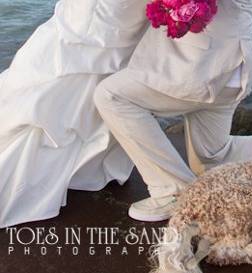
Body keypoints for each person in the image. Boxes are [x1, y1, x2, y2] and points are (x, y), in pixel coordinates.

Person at [94, 0, 252, 222]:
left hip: (199, 69)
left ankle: (173, 192)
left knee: (112, 96)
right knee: (212, 157)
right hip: (228, 70)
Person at [0, 0, 150, 228]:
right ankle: (78, 167)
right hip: (103, 17)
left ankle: (79, 166)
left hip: (116, 16)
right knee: (54, 93)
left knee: (82, 87)